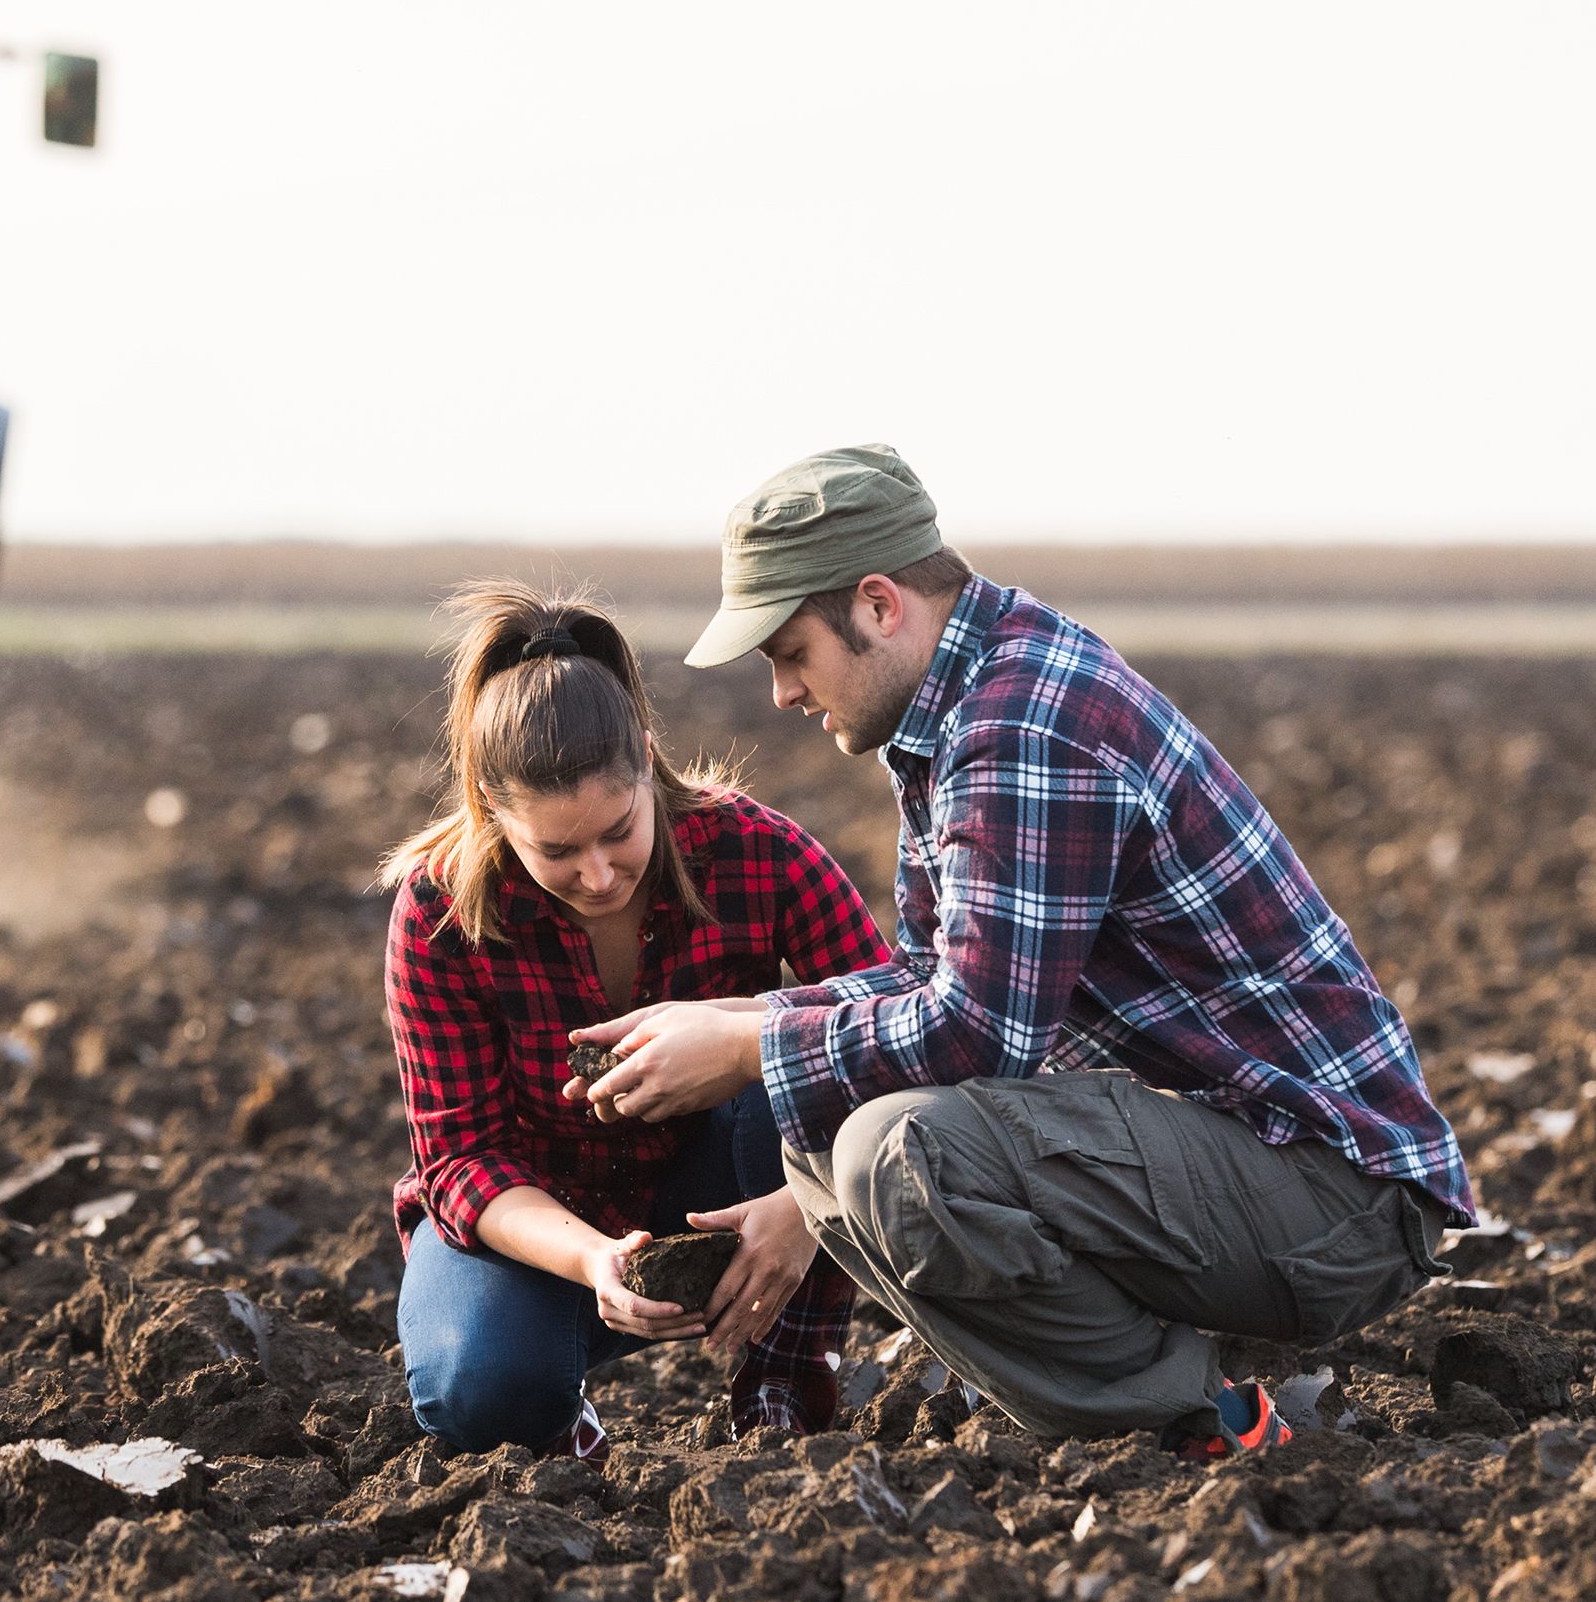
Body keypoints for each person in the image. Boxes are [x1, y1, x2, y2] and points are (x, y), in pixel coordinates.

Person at [575, 446, 1467, 1449]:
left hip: (1333, 1195)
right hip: (1252, 1164)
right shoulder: (959, 707)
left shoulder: (1022, 723)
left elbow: (974, 1032)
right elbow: (933, 975)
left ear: (877, 605)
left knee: (892, 1150)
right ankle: (1166, 1389)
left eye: (789, 651)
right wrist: (736, 1019)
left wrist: (746, 1048)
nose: (781, 691)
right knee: (833, 1128)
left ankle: (1205, 1417)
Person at [383, 584, 892, 1452]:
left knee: (801, 1055)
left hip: (725, 1182)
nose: (597, 874)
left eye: (618, 830)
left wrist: (807, 1209)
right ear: (489, 808)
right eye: (555, 850)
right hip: (540, 1215)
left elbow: (895, 1027)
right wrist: (592, 1260)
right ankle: (557, 1410)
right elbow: (459, 1157)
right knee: (480, 1394)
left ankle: (780, 1380)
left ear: (648, 763)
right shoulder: (439, 912)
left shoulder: (758, 853)